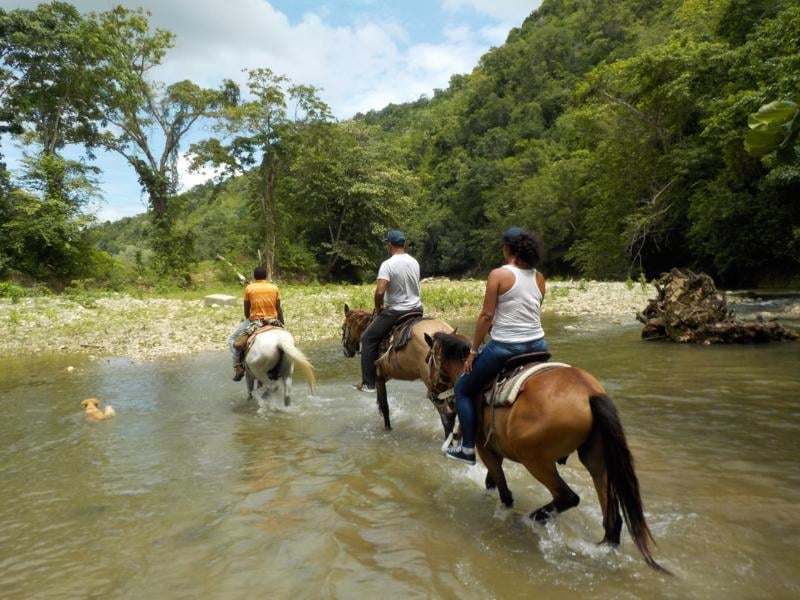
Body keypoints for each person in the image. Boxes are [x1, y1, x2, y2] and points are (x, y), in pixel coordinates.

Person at [445, 227, 548, 464]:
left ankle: (467, 448)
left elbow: (486, 315)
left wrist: (473, 352)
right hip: (538, 344)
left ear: (507, 248)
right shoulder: (539, 277)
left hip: (507, 347)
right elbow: (529, 310)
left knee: (462, 388)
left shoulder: (499, 275)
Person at [354, 230, 423, 392]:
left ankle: (369, 384)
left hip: (396, 311)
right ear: (404, 244)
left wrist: (379, 308)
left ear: (389, 245)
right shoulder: (414, 262)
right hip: (417, 309)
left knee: (367, 338)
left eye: (387, 244)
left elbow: (380, 292)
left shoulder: (388, 264)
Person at [228, 266, 284, 381]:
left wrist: (250, 320)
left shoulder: (249, 288)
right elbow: (278, 309)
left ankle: (238, 366)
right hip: (273, 320)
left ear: (254, 276)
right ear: (266, 276)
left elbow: (246, 311)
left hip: (255, 321)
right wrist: (282, 324)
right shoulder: (274, 288)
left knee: (232, 339)